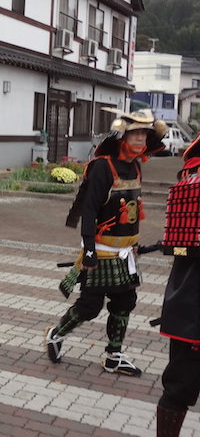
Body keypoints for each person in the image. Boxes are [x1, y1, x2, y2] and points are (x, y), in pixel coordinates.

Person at [44, 108, 167, 376]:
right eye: (134, 134)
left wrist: (136, 245)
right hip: (101, 251)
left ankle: (113, 355)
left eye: (144, 135)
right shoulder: (103, 167)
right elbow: (89, 211)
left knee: (125, 303)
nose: (140, 140)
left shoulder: (135, 166)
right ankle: (56, 333)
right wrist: (88, 250)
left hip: (126, 252)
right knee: (89, 307)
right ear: (123, 136)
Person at [156, 137, 200, 436]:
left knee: (179, 387)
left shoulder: (190, 173)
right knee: (179, 387)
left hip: (189, 300)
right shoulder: (193, 177)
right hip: (193, 298)